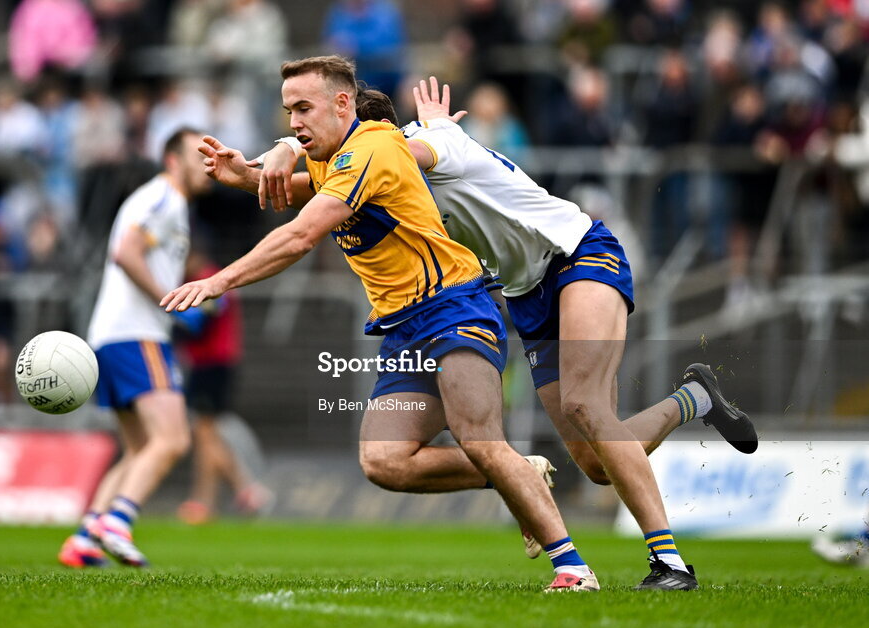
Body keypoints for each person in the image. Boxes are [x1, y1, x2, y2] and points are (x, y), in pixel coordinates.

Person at [240, 78, 759, 590]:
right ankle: (694, 399)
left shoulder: (430, 142)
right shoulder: (375, 178)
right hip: (523, 292)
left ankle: (670, 565)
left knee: (585, 406)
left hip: (577, 253)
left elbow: (382, 154)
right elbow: (306, 187)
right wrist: (252, 167)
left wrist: (289, 144)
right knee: (594, 463)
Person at [164, 55, 601, 592]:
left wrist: (219, 280)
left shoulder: (372, 146)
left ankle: (573, 568)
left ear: (343, 103)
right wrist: (245, 176)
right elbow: (305, 187)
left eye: (304, 108)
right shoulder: (334, 155)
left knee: (479, 438)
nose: (294, 123)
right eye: (288, 112)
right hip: (404, 329)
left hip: (454, 307)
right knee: (384, 461)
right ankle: (521, 475)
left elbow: (301, 235)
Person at [58, 128, 213, 568]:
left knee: (141, 447)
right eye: (196, 155)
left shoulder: (157, 199)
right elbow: (127, 254)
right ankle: (117, 522)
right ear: (171, 160)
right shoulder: (166, 199)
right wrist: (172, 301)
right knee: (172, 439)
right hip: (136, 334)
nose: (207, 164)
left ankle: (86, 538)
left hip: (111, 334)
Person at [174, 249, 272, 524]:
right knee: (206, 433)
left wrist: (166, 316)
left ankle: (208, 500)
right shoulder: (207, 279)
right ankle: (242, 490)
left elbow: (197, 326)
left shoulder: (211, 280)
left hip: (213, 364)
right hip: (209, 364)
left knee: (205, 434)